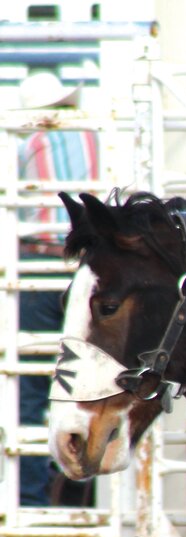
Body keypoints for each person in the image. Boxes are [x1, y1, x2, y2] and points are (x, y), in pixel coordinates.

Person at [17, 71, 98, 510]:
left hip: (34, 261)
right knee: (91, 379)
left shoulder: (22, 144)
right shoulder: (95, 136)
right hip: (85, 262)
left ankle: (31, 500)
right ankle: (82, 493)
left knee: (29, 386)